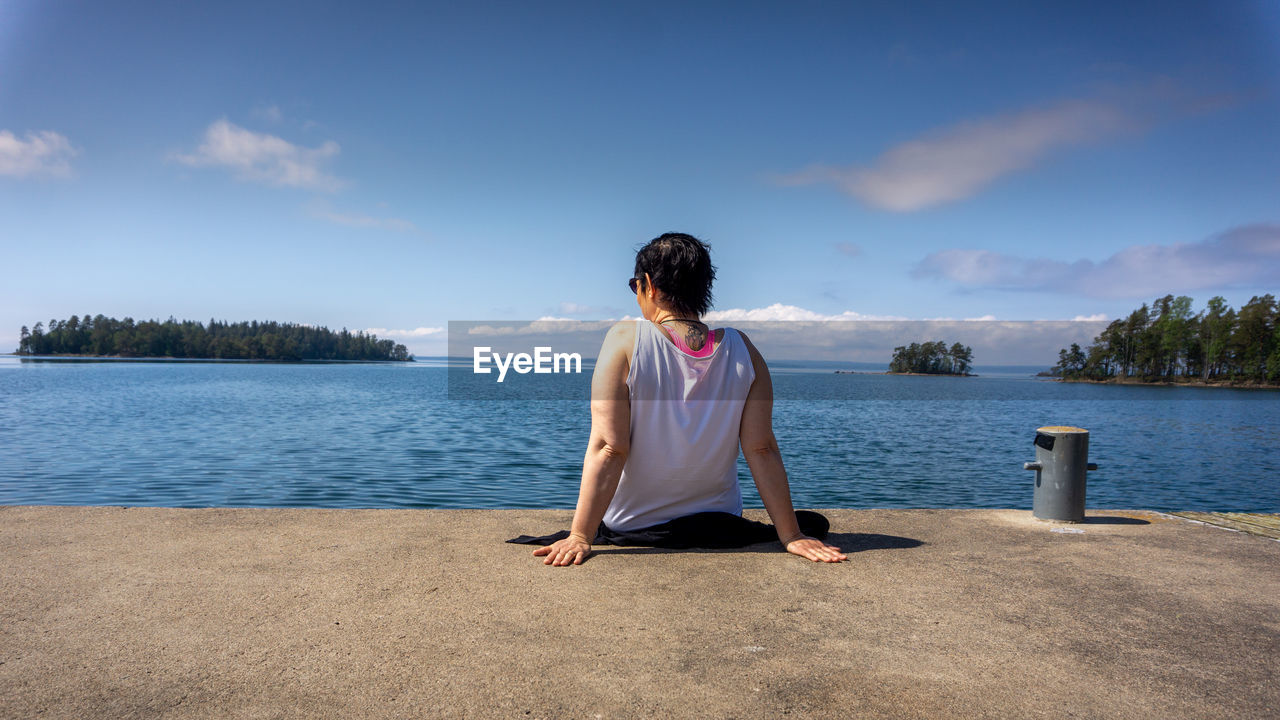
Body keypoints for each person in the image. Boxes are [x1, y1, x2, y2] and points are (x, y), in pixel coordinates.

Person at [530, 232, 847, 566]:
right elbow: (761, 448)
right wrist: (792, 536)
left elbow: (610, 447)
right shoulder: (743, 349)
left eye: (634, 285)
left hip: (635, 527)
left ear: (648, 285)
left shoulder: (625, 339)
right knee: (815, 522)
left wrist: (580, 535)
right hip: (720, 527)